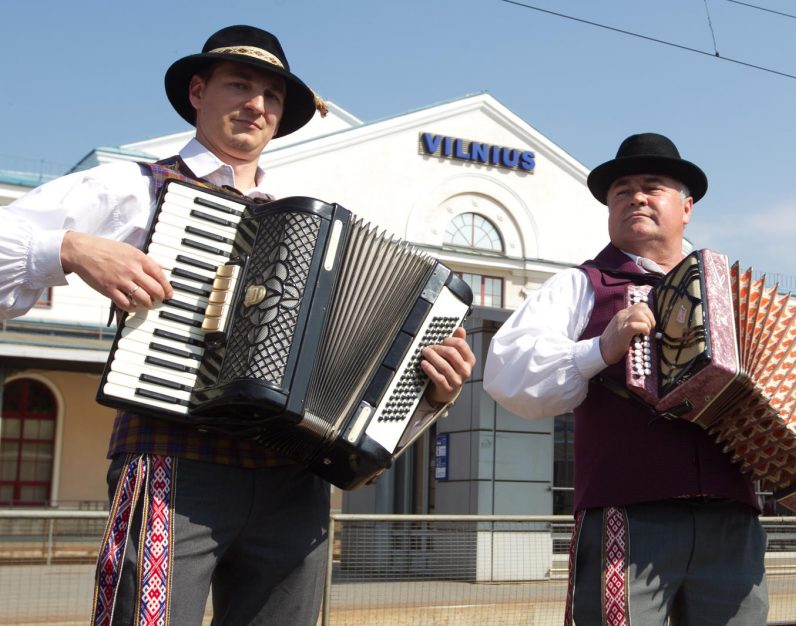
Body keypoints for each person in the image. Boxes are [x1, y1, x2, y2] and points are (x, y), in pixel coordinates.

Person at [0, 25, 475, 625]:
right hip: (174, 462)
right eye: (240, 85)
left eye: (271, 96)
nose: (257, 104)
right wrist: (71, 248)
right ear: (198, 92)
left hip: (292, 481)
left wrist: (431, 388)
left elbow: (359, 377)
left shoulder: (315, 231)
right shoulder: (134, 186)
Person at [482, 132, 796, 626]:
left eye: (652, 186)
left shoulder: (735, 300)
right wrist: (599, 349)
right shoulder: (582, 284)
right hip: (629, 516)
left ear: (687, 207)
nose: (635, 196)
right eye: (621, 190)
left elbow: (789, 403)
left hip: (732, 524)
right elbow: (506, 374)